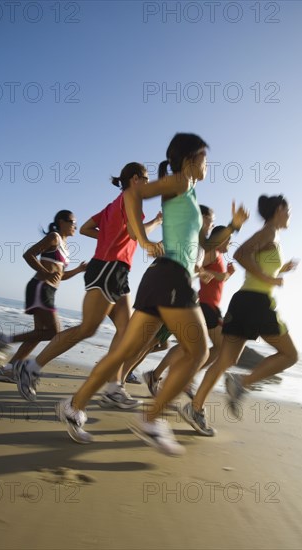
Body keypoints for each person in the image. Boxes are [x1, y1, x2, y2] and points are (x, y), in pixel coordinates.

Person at [52, 133, 249, 455]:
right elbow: (135, 195)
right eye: (204, 159)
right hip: (171, 278)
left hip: (160, 279)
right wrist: (142, 239)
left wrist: (233, 227)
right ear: (189, 160)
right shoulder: (181, 183)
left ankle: (73, 407)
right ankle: (152, 419)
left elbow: (202, 246)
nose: (207, 166)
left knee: (122, 354)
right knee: (199, 352)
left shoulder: (187, 191)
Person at [14, 163, 162, 408]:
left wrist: (146, 226)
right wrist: (150, 244)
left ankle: (114, 388)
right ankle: (30, 367)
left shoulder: (116, 203)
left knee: (126, 331)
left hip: (118, 272)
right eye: (146, 179)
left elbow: (85, 229)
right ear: (135, 179)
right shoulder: (131, 198)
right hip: (107, 268)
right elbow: (136, 235)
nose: (148, 183)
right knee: (88, 328)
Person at [181, 194, 299, 436]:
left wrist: (280, 268)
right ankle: (241, 383)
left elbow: (257, 261)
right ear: (279, 210)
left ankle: (195, 408)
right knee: (290, 355)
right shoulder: (269, 232)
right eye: (288, 210)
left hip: (245, 301)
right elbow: (241, 254)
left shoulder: (271, 235)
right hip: (257, 302)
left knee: (226, 360)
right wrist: (269, 279)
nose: (290, 215)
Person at [143, 225, 236, 406]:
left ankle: (158, 376)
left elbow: (210, 275)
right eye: (228, 240)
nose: (230, 244)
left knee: (188, 348)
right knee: (219, 346)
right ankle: (184, 378)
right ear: (221, 238)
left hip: (209, 306)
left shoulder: (216, 255)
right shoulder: (213, 253)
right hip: (206, 306)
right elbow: (195, 268)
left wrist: (225, 275)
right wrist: (216, 274)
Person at [0, 210, 87, 382]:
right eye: (73, 222)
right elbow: (29, 254)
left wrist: (79, 270)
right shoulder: (54, 237)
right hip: (40, 288)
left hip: (48, 290)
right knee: (53, 332)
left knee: (39, 333)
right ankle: (4, 339)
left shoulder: (66, 247)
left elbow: (60, 275)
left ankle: (8, 369)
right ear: (61, 221)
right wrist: (45, 272)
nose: (75, 226)